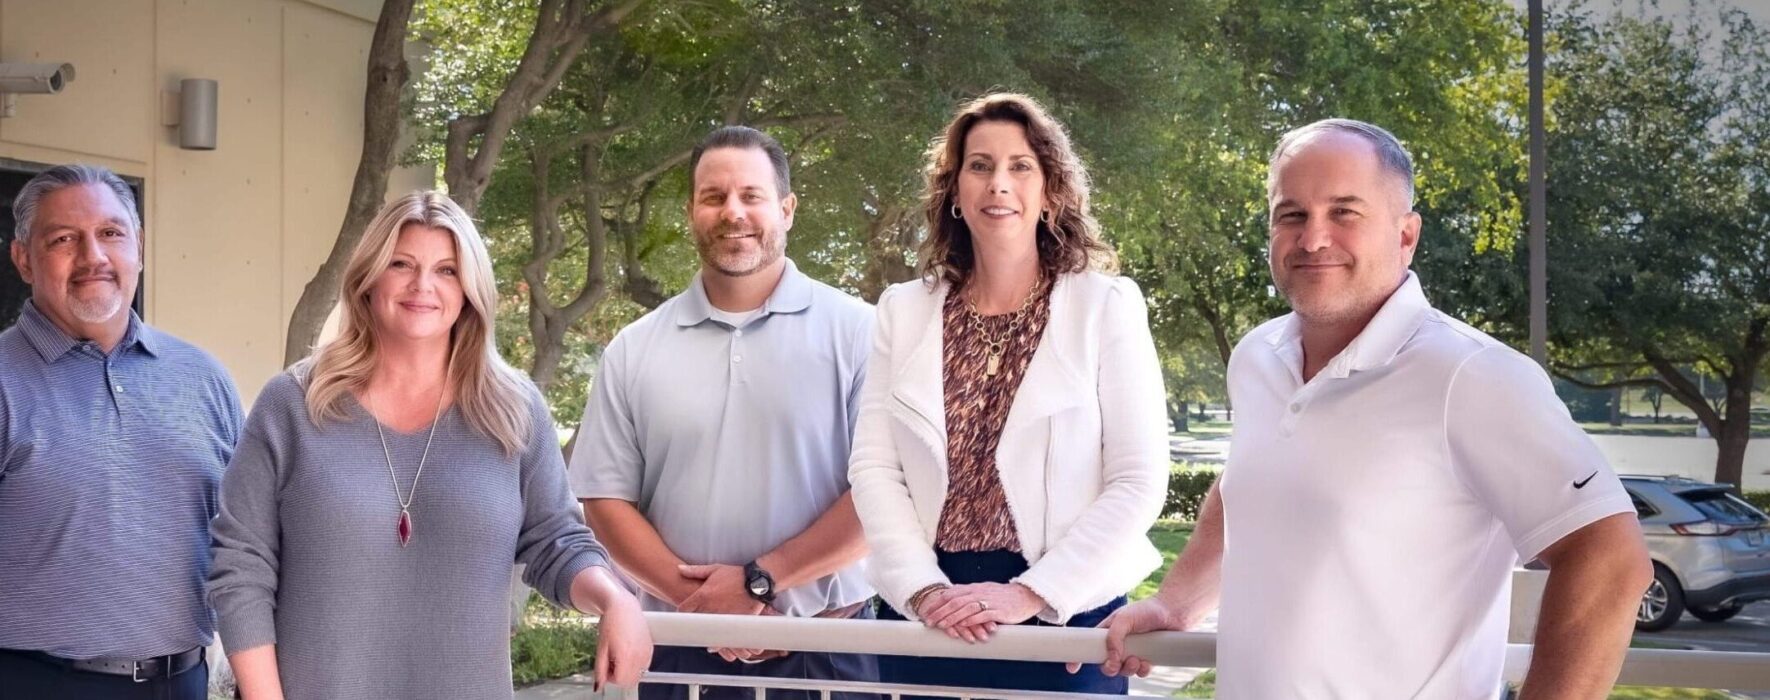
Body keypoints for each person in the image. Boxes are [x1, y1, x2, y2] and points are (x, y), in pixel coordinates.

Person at [1087, 119, 1652, 698]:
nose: (1313, 239)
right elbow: (1248, 484)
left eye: (1345, 212)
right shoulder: (1257, 356)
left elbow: (1609, 557)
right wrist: (1176, 603)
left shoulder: (1472, 375)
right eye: (1291, 214)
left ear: (1406, 235)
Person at [208, 192, 650, 700]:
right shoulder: (293, 405)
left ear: (469, 290)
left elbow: (556, 542)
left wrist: (616, 600)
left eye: (446, 270)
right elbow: (240, 566)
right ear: (369, 278)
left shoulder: (513, 410)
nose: (423, 285)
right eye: (401, 264)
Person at [846, 92, 1169, 696]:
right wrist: (923, 589)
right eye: (980, 165)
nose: (999, 183)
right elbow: (874, 468)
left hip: (1063, 615)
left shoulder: (1105, 306)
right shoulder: (902, 311)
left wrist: (1031, 593)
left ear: (1050, 192)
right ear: (954, 191)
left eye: (1021, 166)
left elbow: (1138, 479)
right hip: (928, 617)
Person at [570, 125, 877, 699]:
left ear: (786, 209)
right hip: (679, 649)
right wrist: (708, 606)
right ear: (692, 212)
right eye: (713, 197)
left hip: (824, 651)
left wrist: (761, 583)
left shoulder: (862, 332)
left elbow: (884, 493)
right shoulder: (634, 349)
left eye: (751, 195)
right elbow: (606, 502)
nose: (732, 212)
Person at [0, 165, 242, 699]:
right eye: (64, 239)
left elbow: (246, 541)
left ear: (140, 248)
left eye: (111, 233)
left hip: (183, 680)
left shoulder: (203, 378)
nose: (93, 257)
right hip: (36, 683)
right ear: (23, 259)